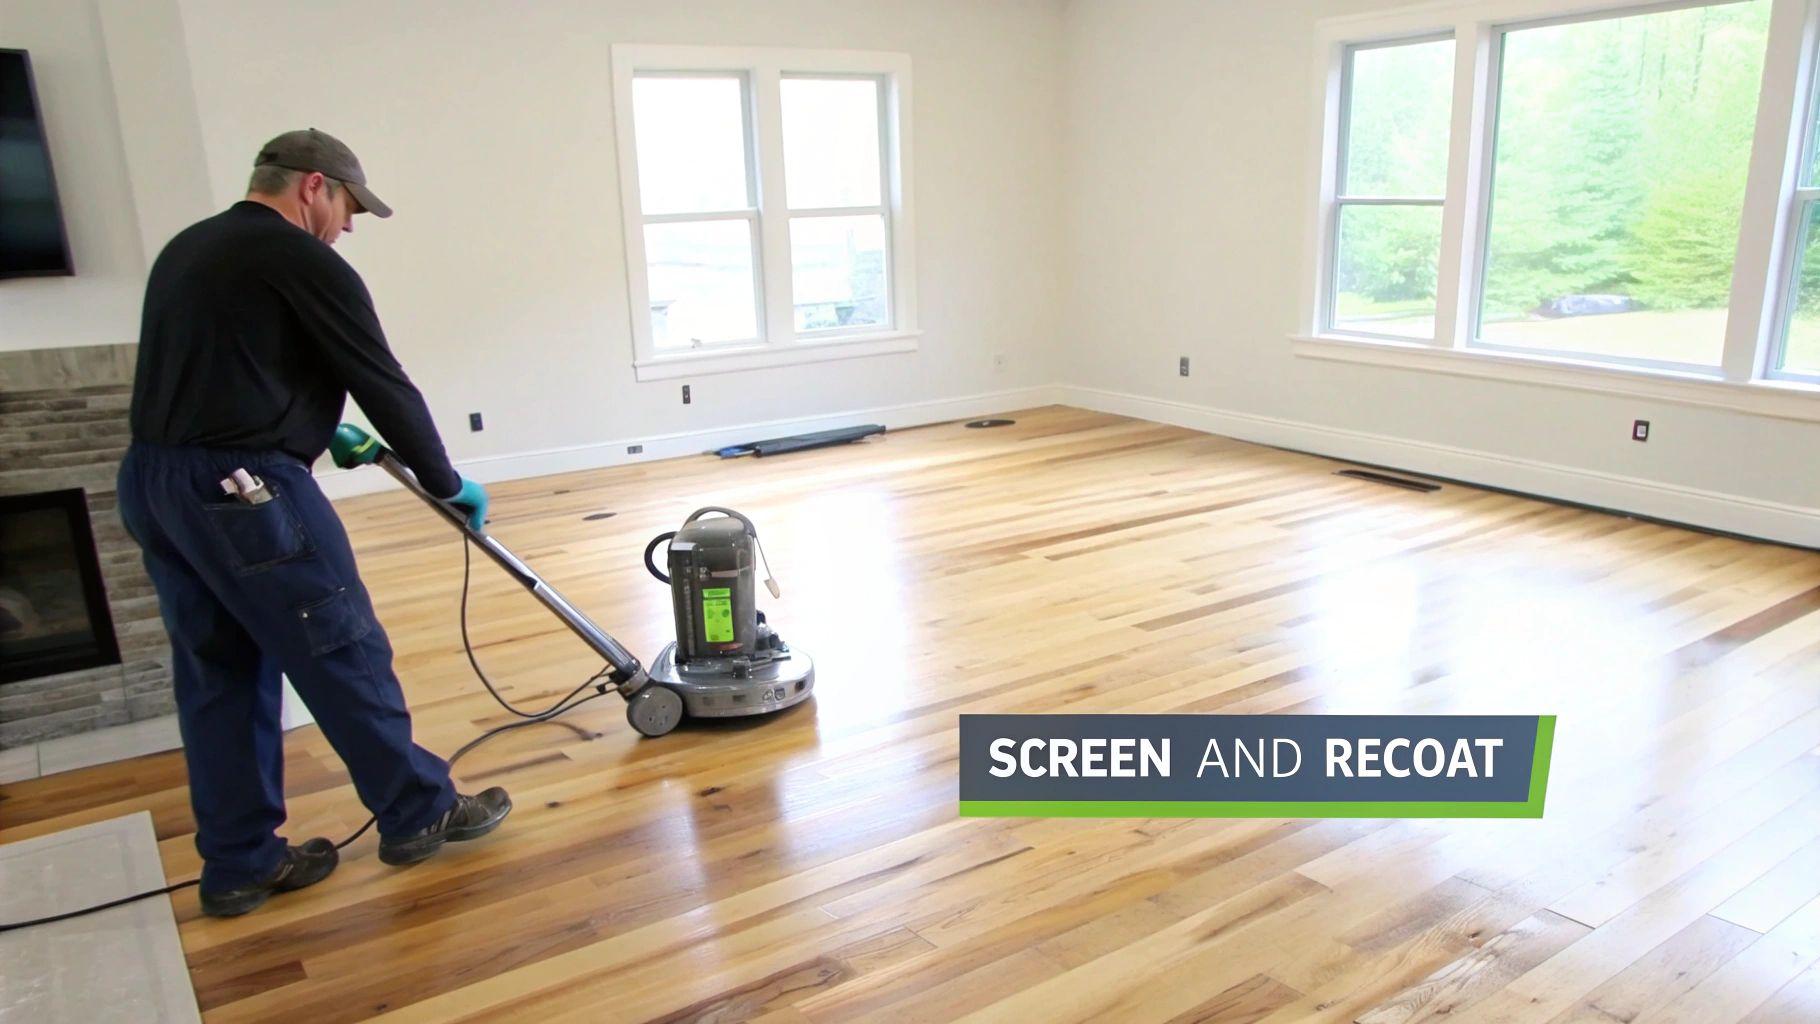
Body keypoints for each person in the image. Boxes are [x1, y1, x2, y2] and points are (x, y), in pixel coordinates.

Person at [118, 129, 510, 918]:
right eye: (349, 206)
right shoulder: (304, 259)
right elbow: (380, 378)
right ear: (312, 187)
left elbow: (224, 366)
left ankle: (239, 864)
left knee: (219, 672)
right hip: (244, 490)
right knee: (340, 646)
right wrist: (446, 481)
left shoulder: (191, 248)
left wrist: (314, 426)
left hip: (155, 482)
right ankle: (417, 808)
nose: (349, 225)